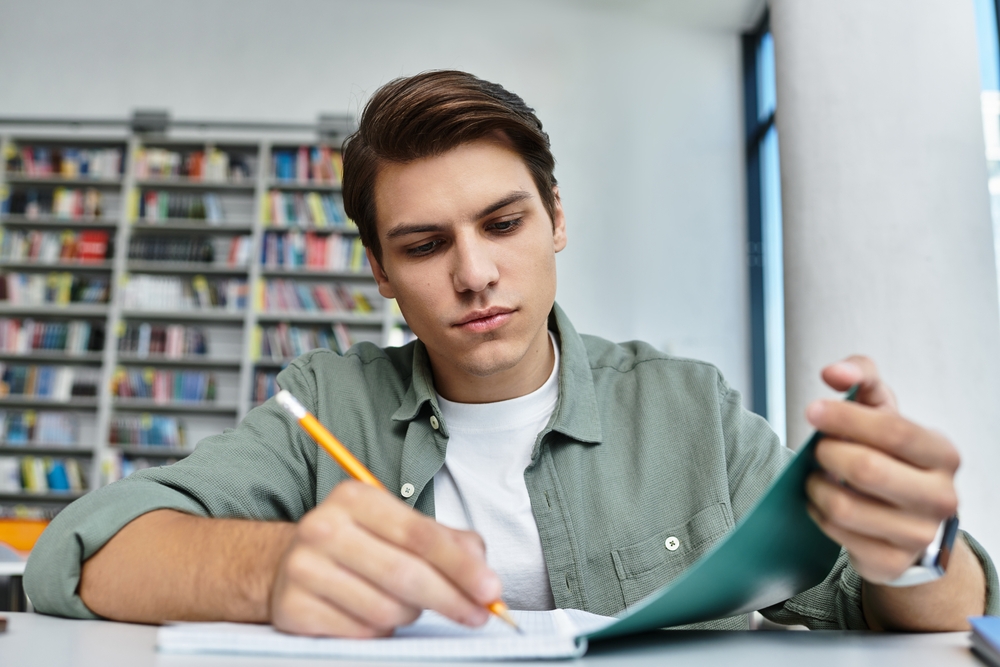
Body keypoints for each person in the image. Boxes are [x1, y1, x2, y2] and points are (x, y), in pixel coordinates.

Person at [25, 71, 996, 636]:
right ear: (381, 272)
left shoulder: (687, 407)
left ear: (556, 219)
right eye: (425, 244)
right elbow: (80, 553)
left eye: (502, 222)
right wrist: (267, 567)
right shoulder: (323, 403)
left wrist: (914, 550)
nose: (476, 274)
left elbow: (917, 612)